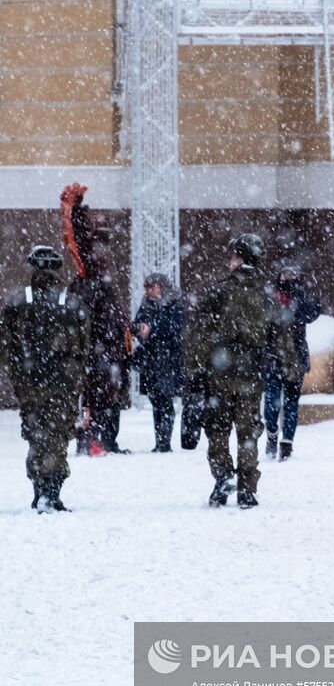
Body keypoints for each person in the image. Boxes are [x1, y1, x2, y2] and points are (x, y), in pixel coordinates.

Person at [186, 233, 273, 509]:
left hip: (220, 376)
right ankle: (247, 489)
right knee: (248, 434)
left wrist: (195, 369)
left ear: (240, 257)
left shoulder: (218, 291)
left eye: (233, 256)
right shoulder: (266, 293)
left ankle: (222, 479)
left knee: (218, 431)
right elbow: (278, 333)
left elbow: (199, 334)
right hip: (251, 376)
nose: (230, 261)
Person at [0, 246, 90, 512]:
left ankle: (40, 490)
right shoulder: (72, 302)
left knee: (36, 435)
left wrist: (19, 376)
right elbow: (84, 347)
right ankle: (52, 491)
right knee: (58, 435)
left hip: (29, 382)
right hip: (63, 383)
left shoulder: (17, 301)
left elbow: (5, 347)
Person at [60, 184, 132, 455]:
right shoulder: (92, 274)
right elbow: (75, 239)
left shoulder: (96, 277)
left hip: (102, 346)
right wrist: (76, 209)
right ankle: (92, 438)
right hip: (98, 347)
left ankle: (97, 438)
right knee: (96, 392)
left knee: (100, 392)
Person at [264, 263, 321, 460]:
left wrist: (301, 296)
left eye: (291, 274)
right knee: (271, 403)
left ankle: (287, 441)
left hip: (296, 356)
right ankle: (271, 434)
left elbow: (313, 313)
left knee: (291, 402)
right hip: (272, 356)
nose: (287, 277)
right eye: (284, 273)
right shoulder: (270, 296)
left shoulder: (301, 296)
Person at [132, 273, 184, 453]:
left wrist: (151, 330)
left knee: (165, 399)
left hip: (167, 358)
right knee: (156, 399)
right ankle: (160, 440)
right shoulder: (147, 304)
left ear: (160, 287)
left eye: (151, 288)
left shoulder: (173, 303)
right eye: (147, 288)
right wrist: (140, 330)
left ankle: (164, 442)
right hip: (151, 358)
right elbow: (137, 324)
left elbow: (174, 328)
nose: (148, 291)